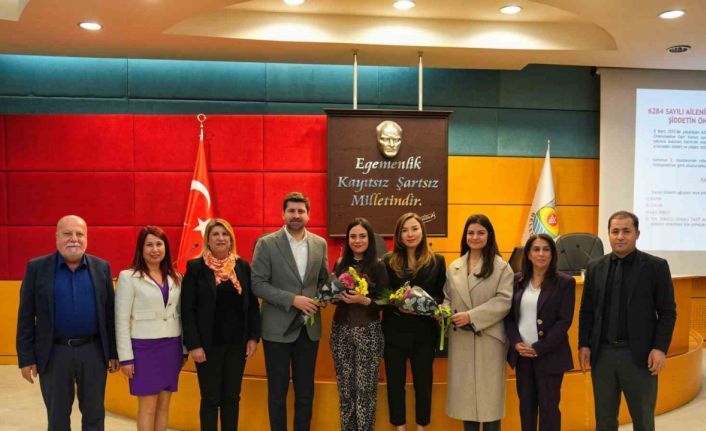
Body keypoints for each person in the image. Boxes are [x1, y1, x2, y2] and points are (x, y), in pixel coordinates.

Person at [16, 214, 119, 431]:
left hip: (93, 352)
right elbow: (25, 315)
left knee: (95, 415)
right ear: (56, 237)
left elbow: (110, 314)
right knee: (57, 418)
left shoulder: (102, 267)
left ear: (86, 238)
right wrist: (26, 357)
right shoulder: (37, 268)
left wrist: (114, 352)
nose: (74, 239)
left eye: (79, 234)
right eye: (67, 234)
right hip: (54, 353)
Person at [578, 211, 676, 431]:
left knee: (643, 420)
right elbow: (587, 311)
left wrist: (660, 348)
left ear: (637, 234)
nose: (620, 236)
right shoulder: (595, 267)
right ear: (608, 234)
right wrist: (584, 344)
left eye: (626, 231)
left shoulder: (656, 267)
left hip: (640, 356)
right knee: (604, 420)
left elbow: (668, 312)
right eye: (615, 231)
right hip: (603, 356)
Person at [251, 192, 329, 431]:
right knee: (277, 392)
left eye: (300, 211)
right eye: (291, 211)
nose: (296, 215)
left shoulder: (320, 244)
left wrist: (324, 297)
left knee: (305, 392)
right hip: (277, 331)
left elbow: (322, 281)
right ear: (283, 214)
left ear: (308, 215)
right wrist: (293, 300)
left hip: (309, 330)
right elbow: (257, 284)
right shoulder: (267, 244)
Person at [181, 218, 261, 431]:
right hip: (207, 346)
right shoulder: (196, 267)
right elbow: (187, 309)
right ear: (207, 239)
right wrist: (194, 345)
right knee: (210, 398)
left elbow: (252, 305)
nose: (220, 238)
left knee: (232, 398)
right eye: (215, 234)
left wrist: (253, 337)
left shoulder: (242, 266)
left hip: (237, 345)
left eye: (225, 234)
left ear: (231, 239)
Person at [444, 214, 513, 431]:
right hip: (461, 340)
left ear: (489, 235)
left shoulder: (502, 267)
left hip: (489, 340)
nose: (475, 237)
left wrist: (471, 317)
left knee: (489, 401)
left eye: (480, 233)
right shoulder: (454, 266)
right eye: (471, 233)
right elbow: (447, 297)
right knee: (466, 402)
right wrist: (445, 311)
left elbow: (504, 301)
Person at [115, 225, 184, 431]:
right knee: (147, 408)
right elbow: (121, 320)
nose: (155, 249)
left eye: (159, 244)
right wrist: (126, 358)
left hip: (171, 347)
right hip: (144, 350)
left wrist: (183, 349)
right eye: (149, 245)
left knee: (163, 406)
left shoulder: (176, 277)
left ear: (165, 247)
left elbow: (180, 316)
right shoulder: (128, 277)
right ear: (141, 248)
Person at [504, 234, 576, 431]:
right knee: (526, 409)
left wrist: (539, 348)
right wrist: (516, 342)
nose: (541, 254)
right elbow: (509, 318)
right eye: (536, 249)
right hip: (523, 357)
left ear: (552, 254)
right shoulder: (517, 280)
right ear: (528, 254)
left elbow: (564, 321)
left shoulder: (565, 282)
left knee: (549, 410)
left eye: (546, 249)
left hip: (550, 356)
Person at [382, 212, 446, 431]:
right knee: (395, 385)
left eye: (414, 229)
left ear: (422, 231)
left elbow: (441, 295)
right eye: (404, 230)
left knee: (424, 384)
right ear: (398, 235)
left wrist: (428, 305)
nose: (410, 234)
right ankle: (399, 427)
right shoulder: (387, 261)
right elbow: (382, 295)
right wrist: (396, 302)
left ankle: (422, 427)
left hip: (424, 334)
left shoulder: (437, 261)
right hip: (394, 333)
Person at [330, 218, 388, 431]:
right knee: (345, 390)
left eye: (362, 236)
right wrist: (332, 296)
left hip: (368, 332)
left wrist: (363, 300)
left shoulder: (378, 265)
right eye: (353, 236)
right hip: (341, 331)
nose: (357, 240)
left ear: (369, 238)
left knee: (365, 391)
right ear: (347, 240)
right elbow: (333, 295)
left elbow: (385, 300)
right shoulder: (340, 264)